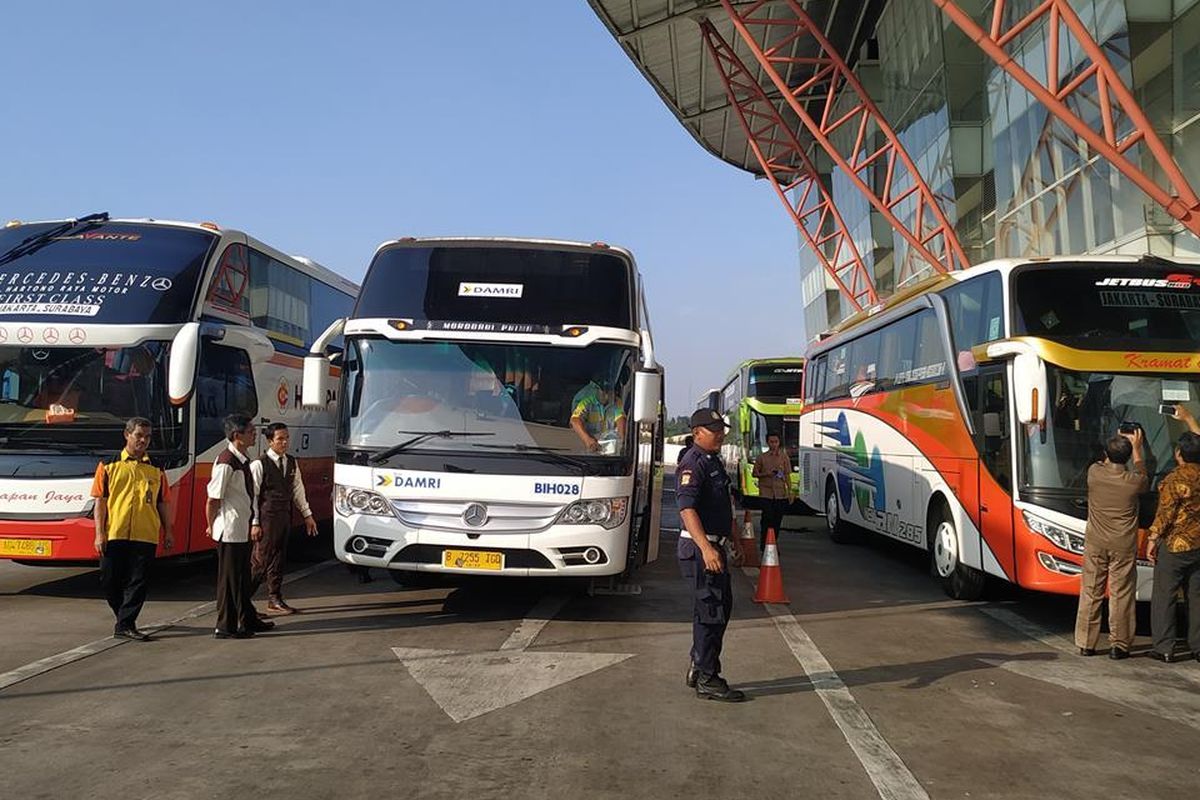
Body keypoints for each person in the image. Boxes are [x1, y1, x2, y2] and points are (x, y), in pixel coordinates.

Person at [677, 408, 745, 702]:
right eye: (713, 429)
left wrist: (735, 537)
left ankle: (698, 663)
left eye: (721, 428)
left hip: (715, 546)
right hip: (699, 550)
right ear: (697, 433)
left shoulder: (712, 460)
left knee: (716, 610)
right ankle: (708, 677)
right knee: (711, 614)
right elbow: (687, 509)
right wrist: (706, 548)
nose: (720, 434)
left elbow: (721, 505)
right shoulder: (693, 463)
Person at [90, 417, 173, 641]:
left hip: (145, 533)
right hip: (114, 532)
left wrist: (169, 531)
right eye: (139, 436)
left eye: (147, 437)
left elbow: (163, 501)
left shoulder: (155, 467)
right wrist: (99, 533)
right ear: (127, 435)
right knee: (109, 579)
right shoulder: (108, 465)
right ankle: (123, 618)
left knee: (139, 580)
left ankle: (126, 624)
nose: (143, 440)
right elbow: (100, 501)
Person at [1074, 428, 1147, 659]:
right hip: (1123, 544)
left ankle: (1086, 643)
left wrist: (1116, 443)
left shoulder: (1094, 473)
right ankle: (1119, 645)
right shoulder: (1134, 482)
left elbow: (1105, 460)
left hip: (1096, 542)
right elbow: (1143, 472)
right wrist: (1136, 448)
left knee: (1091, 590)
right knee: (1121, 593)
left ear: (1106, 454)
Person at [207, 414, 273, 639]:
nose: (255, 435)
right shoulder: (226, 462)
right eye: (251, 432)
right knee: (230, 581)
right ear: (237, 436)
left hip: (241, 528)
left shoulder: (243, 459)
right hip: (229, 530)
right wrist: (210, 525)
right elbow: (213, 499)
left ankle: (248, 618)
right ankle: (225, 626)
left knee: (242, 578)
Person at [1147, 406, 1200, 663]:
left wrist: (1152, 539)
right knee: (1197, 596)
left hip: (1176, 546)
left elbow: (1165, 514)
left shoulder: (1174, 480)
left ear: (1178, 454)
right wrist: (1190, 420)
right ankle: (1198, 647)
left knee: (1164, 595)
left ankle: (1165, 647)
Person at [250, 423, 318, 614]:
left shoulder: (291, 462)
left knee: (279, 559)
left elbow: (298, 489)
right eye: (280, 439)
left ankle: (275, 598)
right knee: (260, 562)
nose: (285, 442)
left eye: (286, 438)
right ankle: (243, 600)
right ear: (270, 441)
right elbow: (253, 496)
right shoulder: (259, 464)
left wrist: (307, 515)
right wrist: (255, 522)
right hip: (266, 518)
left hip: (284, 516)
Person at [752, 433, 793, 551]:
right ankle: (764, 543)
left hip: (780, 493)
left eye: (776, 442)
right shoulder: (762, 457)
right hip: (766, 493)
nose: (774, 444)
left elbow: (787, 475)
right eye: (771, 442)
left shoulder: (784, 457)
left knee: (777, 520)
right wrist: (766, 474)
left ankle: (773, 544)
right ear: (768, 443)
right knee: (767, 518)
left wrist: (790, 491)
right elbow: (755, 473)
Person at [569, 369, 627, 453]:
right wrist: (588, 440)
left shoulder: (616, 402)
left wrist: (622, 443)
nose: (607, 396)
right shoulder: (586, 402)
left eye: (609, 392)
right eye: (604, 392)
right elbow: (574, 421)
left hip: (609, 451)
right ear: (597, 389)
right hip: (589, 450)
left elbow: (621, 420)